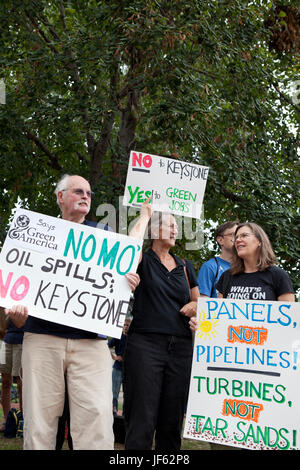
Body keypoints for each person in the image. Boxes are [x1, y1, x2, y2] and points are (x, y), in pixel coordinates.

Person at [4, 174, 140, 450]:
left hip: (91, 344)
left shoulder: (105, 238)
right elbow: (17, 284)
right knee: (39, 421)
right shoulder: (36, 233)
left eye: (89, 193)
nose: (85, 197)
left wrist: (128, 281)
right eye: (78, 191)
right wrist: (16, 315)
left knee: (97, 419)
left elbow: (130, 257)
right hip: (41, 339)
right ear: (60, 197)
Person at [123, 200, 200, 451]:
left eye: (177, 226)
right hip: (145, 346)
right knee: (142, 416)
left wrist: (196, 308)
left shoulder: (186, 266)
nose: (176, 230)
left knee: (171, 419)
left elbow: (200, 302)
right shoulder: (142, 260)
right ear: (155, 231)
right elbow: (126, 251)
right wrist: (145, 215)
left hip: (181, 349)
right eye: (170, 225)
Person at [197, 221, 238, 298]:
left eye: (240, 236)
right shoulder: (209, 267)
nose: (238, 239)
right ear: (220, 240)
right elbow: (203, 303)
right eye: (233, 235)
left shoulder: (247, 267)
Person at [0, 309, 23, 433]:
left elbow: (21, 323)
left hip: (23, 340)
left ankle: (23, 421)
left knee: (20, 382)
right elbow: (3, 327)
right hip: (6, 341)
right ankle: (7, 420)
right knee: (5, 381)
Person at [108, 317, 131, 415]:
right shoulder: (118, 337)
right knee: (114, 393)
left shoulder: (132, 339)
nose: (125, 327)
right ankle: (114, 412)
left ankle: (125, 414)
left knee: (128, 394)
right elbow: (106, 345)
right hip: (117, 368)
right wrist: (114, 356)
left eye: (127, 325)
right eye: (124, 325)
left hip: (128, 369)